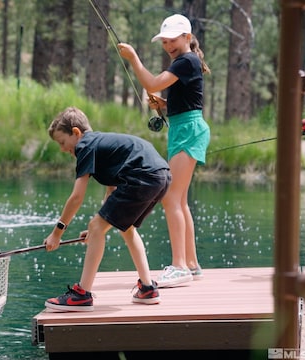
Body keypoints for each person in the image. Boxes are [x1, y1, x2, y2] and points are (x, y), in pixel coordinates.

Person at [43, 107, 171, 312]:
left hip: (144, 176)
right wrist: (98, 231)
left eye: (62, 142)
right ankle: (148, 288)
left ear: (76, 133)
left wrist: (57, 233)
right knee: (125, 228)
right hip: (161, 176)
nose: (62, 148)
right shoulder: (100, 143)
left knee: (97, 226)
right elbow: (112, 191)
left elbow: (76, 197)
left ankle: (81, 295)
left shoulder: (85, 146)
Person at [117, 14, 211, 287]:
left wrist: (133, 58)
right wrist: (166, 105)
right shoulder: (184, 62)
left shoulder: (187, 60)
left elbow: (153, 83)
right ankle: (191, 264)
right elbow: (187, 102)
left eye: (172, 40)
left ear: (187, 38)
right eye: (165, 42)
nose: (168, 45)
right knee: (179, 201)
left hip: (189, 131)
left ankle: (179, 266)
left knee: (170, 199)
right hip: (183, 128)